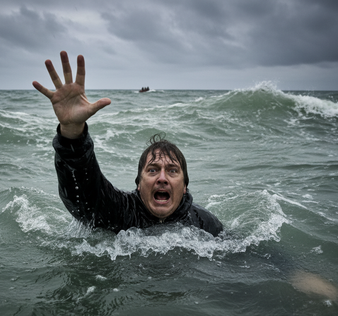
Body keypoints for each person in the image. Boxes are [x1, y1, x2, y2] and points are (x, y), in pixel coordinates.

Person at [33, 51, 223, 236]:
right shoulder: (121, 211)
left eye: (173, 171)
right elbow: (85, 195)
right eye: (152, 170)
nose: (162, 178)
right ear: (139, 185)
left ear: (184, 187)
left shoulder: (205, 224)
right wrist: (72, 132)